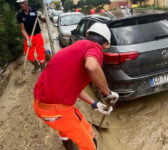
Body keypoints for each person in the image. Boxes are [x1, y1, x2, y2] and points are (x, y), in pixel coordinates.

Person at [33, 22, 119, 150]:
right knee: (90, 145)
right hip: (55, 111)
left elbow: (74, 88)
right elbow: (92, 66)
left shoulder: (75, 48)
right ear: (106, 44)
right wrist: (107, 94)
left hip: (42, 104)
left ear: (87, 34)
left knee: (77, 128)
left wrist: (95, 104)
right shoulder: (95, 48)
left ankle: (67, 144)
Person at [16, 0, 46, 73]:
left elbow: (44, 21)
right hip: (28, 36)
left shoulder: (35, 11)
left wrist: (41, 16)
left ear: (27, 2)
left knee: (41, 53)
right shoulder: (20, 15)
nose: (21, 5)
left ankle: (43, 70)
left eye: (23, 3)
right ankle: (36, 65)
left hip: (38, 35)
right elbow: (23, 29)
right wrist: (27, 39)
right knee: (28, 55)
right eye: (20, 4)